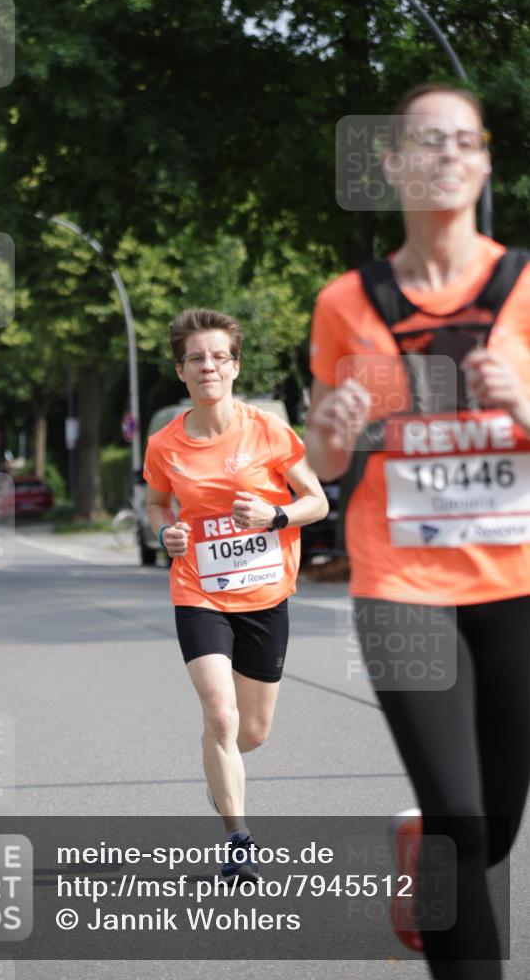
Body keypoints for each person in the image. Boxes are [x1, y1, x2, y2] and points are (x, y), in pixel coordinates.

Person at [306, 83, 530, 978]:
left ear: (481, 163)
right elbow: (325, 465)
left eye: (461, 141)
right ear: (391, 163)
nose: (444, 155)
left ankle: (421, 851)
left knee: (495, 824)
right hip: (400, 588)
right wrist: (325, 439)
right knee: (459, 830)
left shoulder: (524, 289)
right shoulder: (346, 304)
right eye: (423, 142)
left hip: (514, 582)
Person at [144, 308, 328, 881]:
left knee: (252, 732)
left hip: (266, 595)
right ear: (181, 371)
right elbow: (155, 504)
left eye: (218, 356)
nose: (208, 366)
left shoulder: (268, 429)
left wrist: (276, 514)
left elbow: (317, 502)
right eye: (196, 358)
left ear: (234, 366)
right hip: (200, 590)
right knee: (221, 717)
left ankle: (220, 777)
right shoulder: (164, 445)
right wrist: (163, 533)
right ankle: (238, 837)